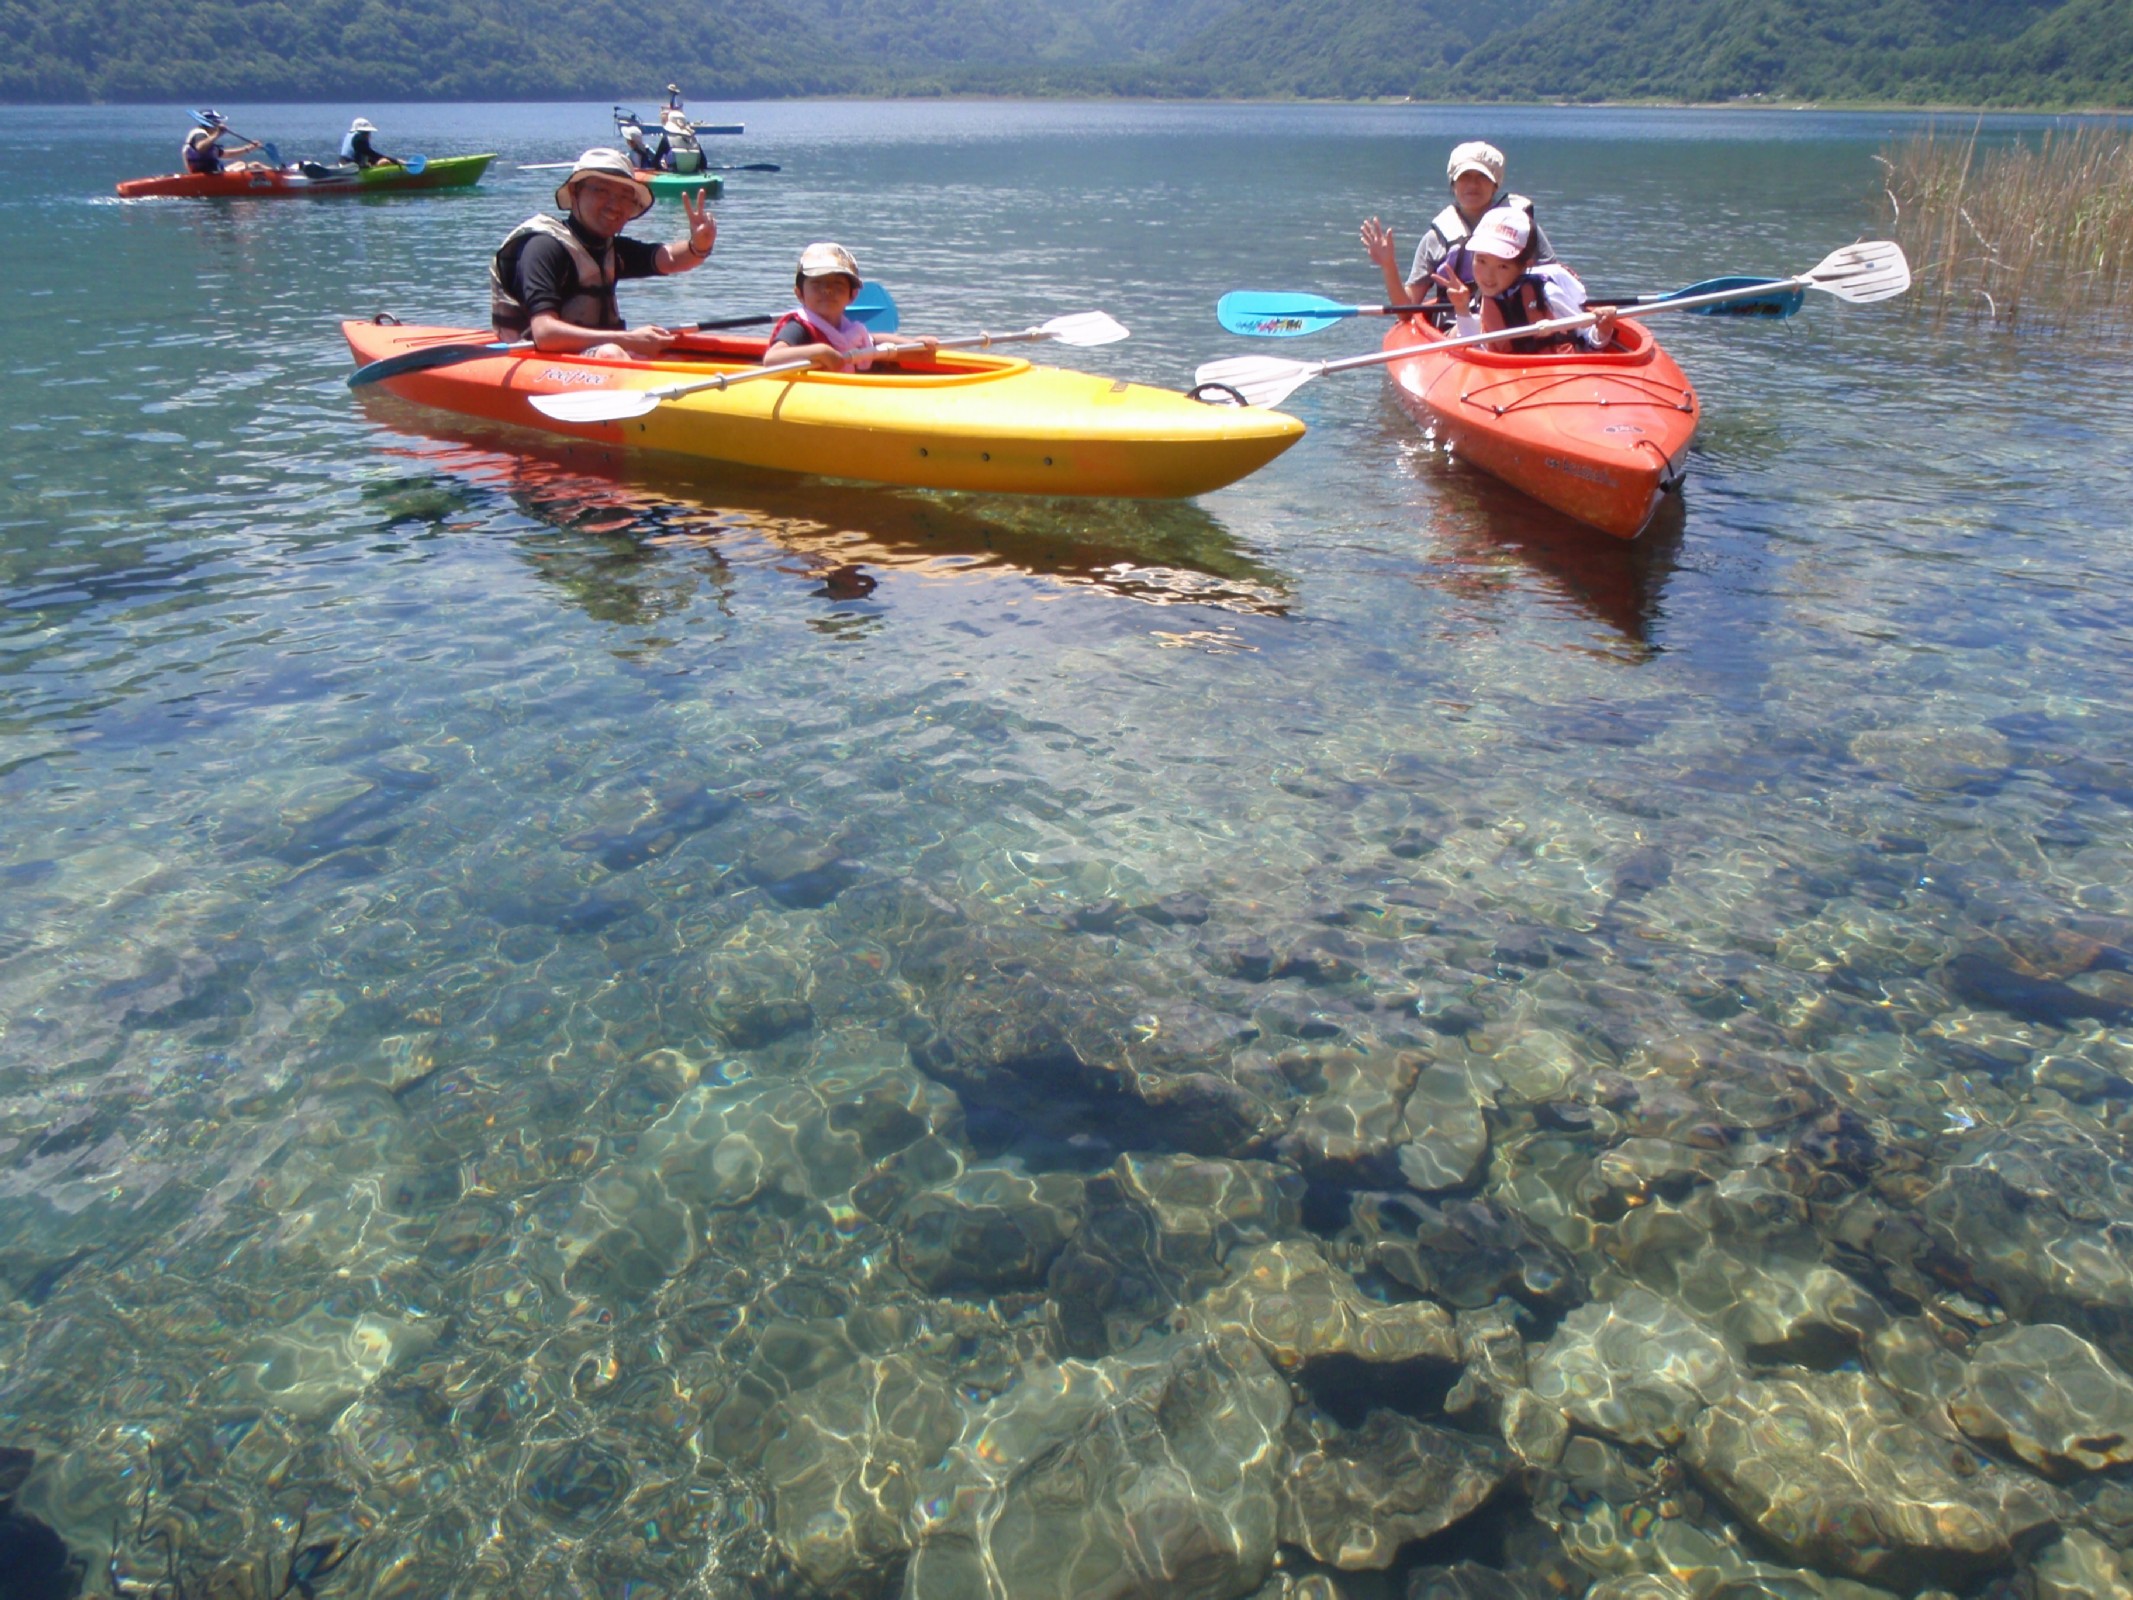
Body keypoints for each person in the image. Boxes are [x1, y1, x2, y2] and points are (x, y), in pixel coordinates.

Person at [488, 148, 718, 359]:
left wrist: (699, 244)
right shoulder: (543, 247)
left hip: (593, 358)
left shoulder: (610, 248)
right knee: (611, 353)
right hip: (536, 360)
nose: (615, 205)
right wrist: (629, 339)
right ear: (575, 192)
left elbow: (671, 258)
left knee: (675, 355)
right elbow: (545, 334)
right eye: (602, 190)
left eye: (625, 196)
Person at [1361, 140, 1559, 314]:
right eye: (1465, 177)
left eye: (1482, 177)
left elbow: (1556, 281)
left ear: (1495, 185)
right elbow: (1406, 310)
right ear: (1453, 183)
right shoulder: (1434, 240)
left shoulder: (1523, 229)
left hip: (1516, 321)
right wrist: (1388, 265)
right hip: (1454, 326)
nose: (1473, 184)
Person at [1441, 208, 1615, 356]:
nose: (1488, 276)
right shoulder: (1482, 300)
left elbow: (1587, 338)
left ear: (1525, 266)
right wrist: (1461, 309)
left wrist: (1603, 331)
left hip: (1558, 373)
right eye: (1481, 261)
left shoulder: (1548, 294)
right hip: (1505, 377)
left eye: (1502, 266)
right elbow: (1475, 348)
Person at [765, 243, 937, 371]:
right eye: (817, 284)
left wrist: (913, 344)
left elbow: (873, 340)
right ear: (799, 293)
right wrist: (819, 351)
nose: (827, 290)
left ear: (852, 295)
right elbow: (772, 358)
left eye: (838, 284)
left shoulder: (848, 330)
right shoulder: (798, 327)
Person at [181, 112, 262, 175]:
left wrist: (249, 148)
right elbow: (200, 147)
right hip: (208, 175)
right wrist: (217, 133)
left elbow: (226, 154)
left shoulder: (204, 137)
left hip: (210, 173)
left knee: (240, 163)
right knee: (256, 165)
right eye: (218, 122)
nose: (219, 124)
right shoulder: (200, 134)